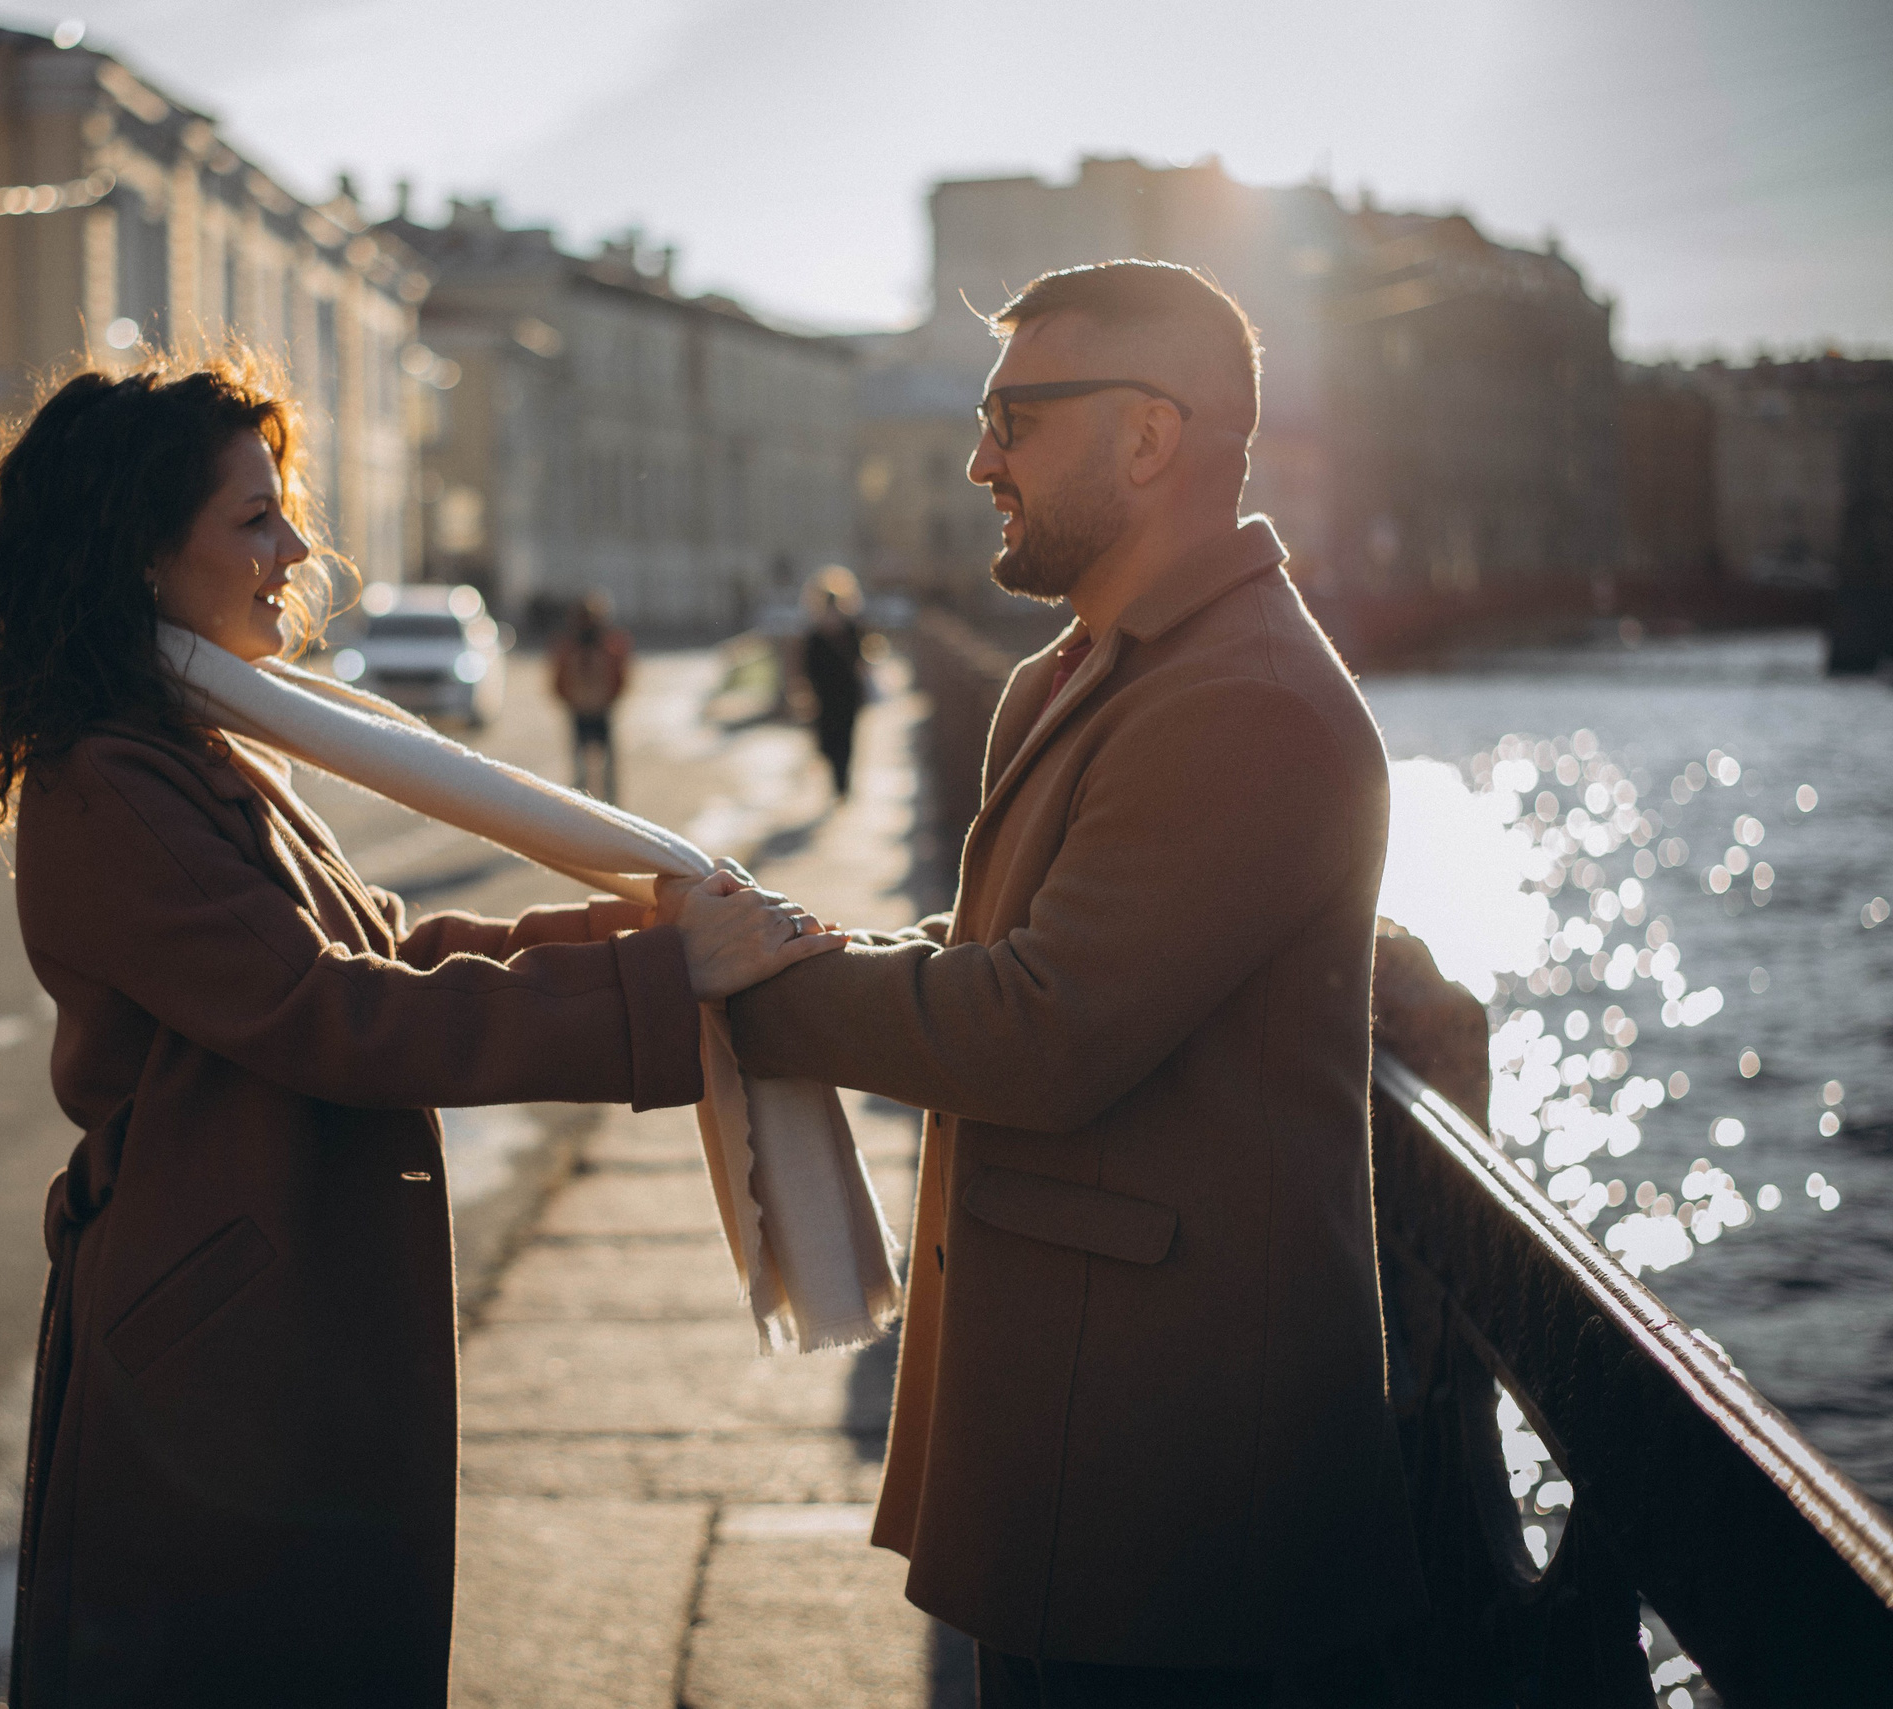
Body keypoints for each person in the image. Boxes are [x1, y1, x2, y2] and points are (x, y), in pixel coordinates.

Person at [0, 351, 844, 1708]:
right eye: (255, 519)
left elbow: (386, 945)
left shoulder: (203, 743)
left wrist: (655, 947)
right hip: (221, 1350)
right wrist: (663, 982)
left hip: (276, 1299)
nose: (296, 550)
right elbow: (332, 1013)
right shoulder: (113, 779)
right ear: (144, 553)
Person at [725, 262, 1423, 1704]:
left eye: (1014, 421)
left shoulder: (1243, 699)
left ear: (1148, 440)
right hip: (1074, 1436)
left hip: (1181, 1496)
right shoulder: (1081, 671)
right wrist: (807, 945)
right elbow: (1007, 951)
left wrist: (755, 990)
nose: (979, 459)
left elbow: (1040, 1028)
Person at [550, 590, 630, 802]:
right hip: (580, 710)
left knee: (606, 770)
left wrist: (608, 698)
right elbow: (558, 679)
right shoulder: (569, 646)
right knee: (580, 770)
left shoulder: (609, 644)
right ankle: (581, 810)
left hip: (600, 709)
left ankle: (611, 813)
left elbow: (620, 675)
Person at [798, 565, 869, 800]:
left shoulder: (849, 628)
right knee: (829, 741)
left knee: (845, 738)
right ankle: (839, 782)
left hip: (844, 693)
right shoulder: (816, 632)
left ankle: (842, 784)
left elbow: (860, 657)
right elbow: (807, 665)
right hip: (826, 695)